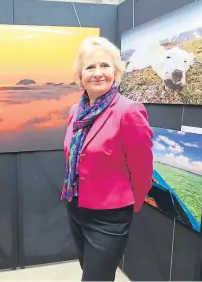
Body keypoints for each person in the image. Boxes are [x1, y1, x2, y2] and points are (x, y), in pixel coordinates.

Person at [61, 36, 153, 281]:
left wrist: (128, 205)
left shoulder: (129, 111)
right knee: (90, 272)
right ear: (80, 76)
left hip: (110, 217)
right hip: (76, 208)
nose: (97, 73)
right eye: (90, 67)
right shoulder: (75, 112)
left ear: (116, 71)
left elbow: (143, 169)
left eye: (104, 65)